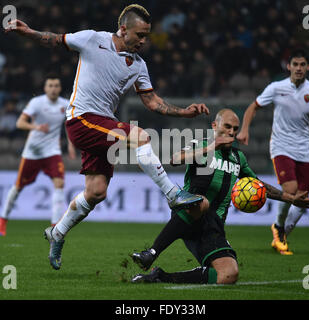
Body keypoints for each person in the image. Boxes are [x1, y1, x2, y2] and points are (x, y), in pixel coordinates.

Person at [4, 4, 208, 269]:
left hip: (103, 126)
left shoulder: (138, 65)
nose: (144, 41)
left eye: (146, 36)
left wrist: (184, 113)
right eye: (140, 35)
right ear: (123, 29)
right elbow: (55, 40)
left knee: (96, 192)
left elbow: (151, 101)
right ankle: (172, 194)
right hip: (81, 119)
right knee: (141, 137)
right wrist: (28, 32)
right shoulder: (93, 39)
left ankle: (58, 232)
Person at [131, 109, 309, 284]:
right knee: (203, 202)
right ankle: (151, 252)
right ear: (215, 126)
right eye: (227, 126)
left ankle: (161, 277)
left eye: (235, 129)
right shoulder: (201, 144)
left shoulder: (238, 158)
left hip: (213, 226)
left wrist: (290, 198)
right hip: (189, 213)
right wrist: (212, 146)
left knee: (228, 275)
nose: (231, 132)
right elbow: (175, 159)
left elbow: (258, 186)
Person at [237, 49, 309, 255]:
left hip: (304, 149)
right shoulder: (276, 88)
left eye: (303, 65)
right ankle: (278, 228)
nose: (299, 68)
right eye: (296, 64)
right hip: (281, 146)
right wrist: (245, 129)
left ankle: (280, 231)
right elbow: (253, 107)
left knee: (303, 200)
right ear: (289, 66)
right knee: (291, 190)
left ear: (308, 67)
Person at [0, 74, 76, 236]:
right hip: (33, 152)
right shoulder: (37, 102)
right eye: (50, 86)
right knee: (18, 186)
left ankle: (55, 227)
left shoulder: (64, 104)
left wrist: (70, 145)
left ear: (60, 88)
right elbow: (20, 123)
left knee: (59, 185)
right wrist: (36, 127)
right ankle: (3, 220)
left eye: (56, 86)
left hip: (52, 152)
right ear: (45, 88)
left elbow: (69, 126)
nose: (53, 89)